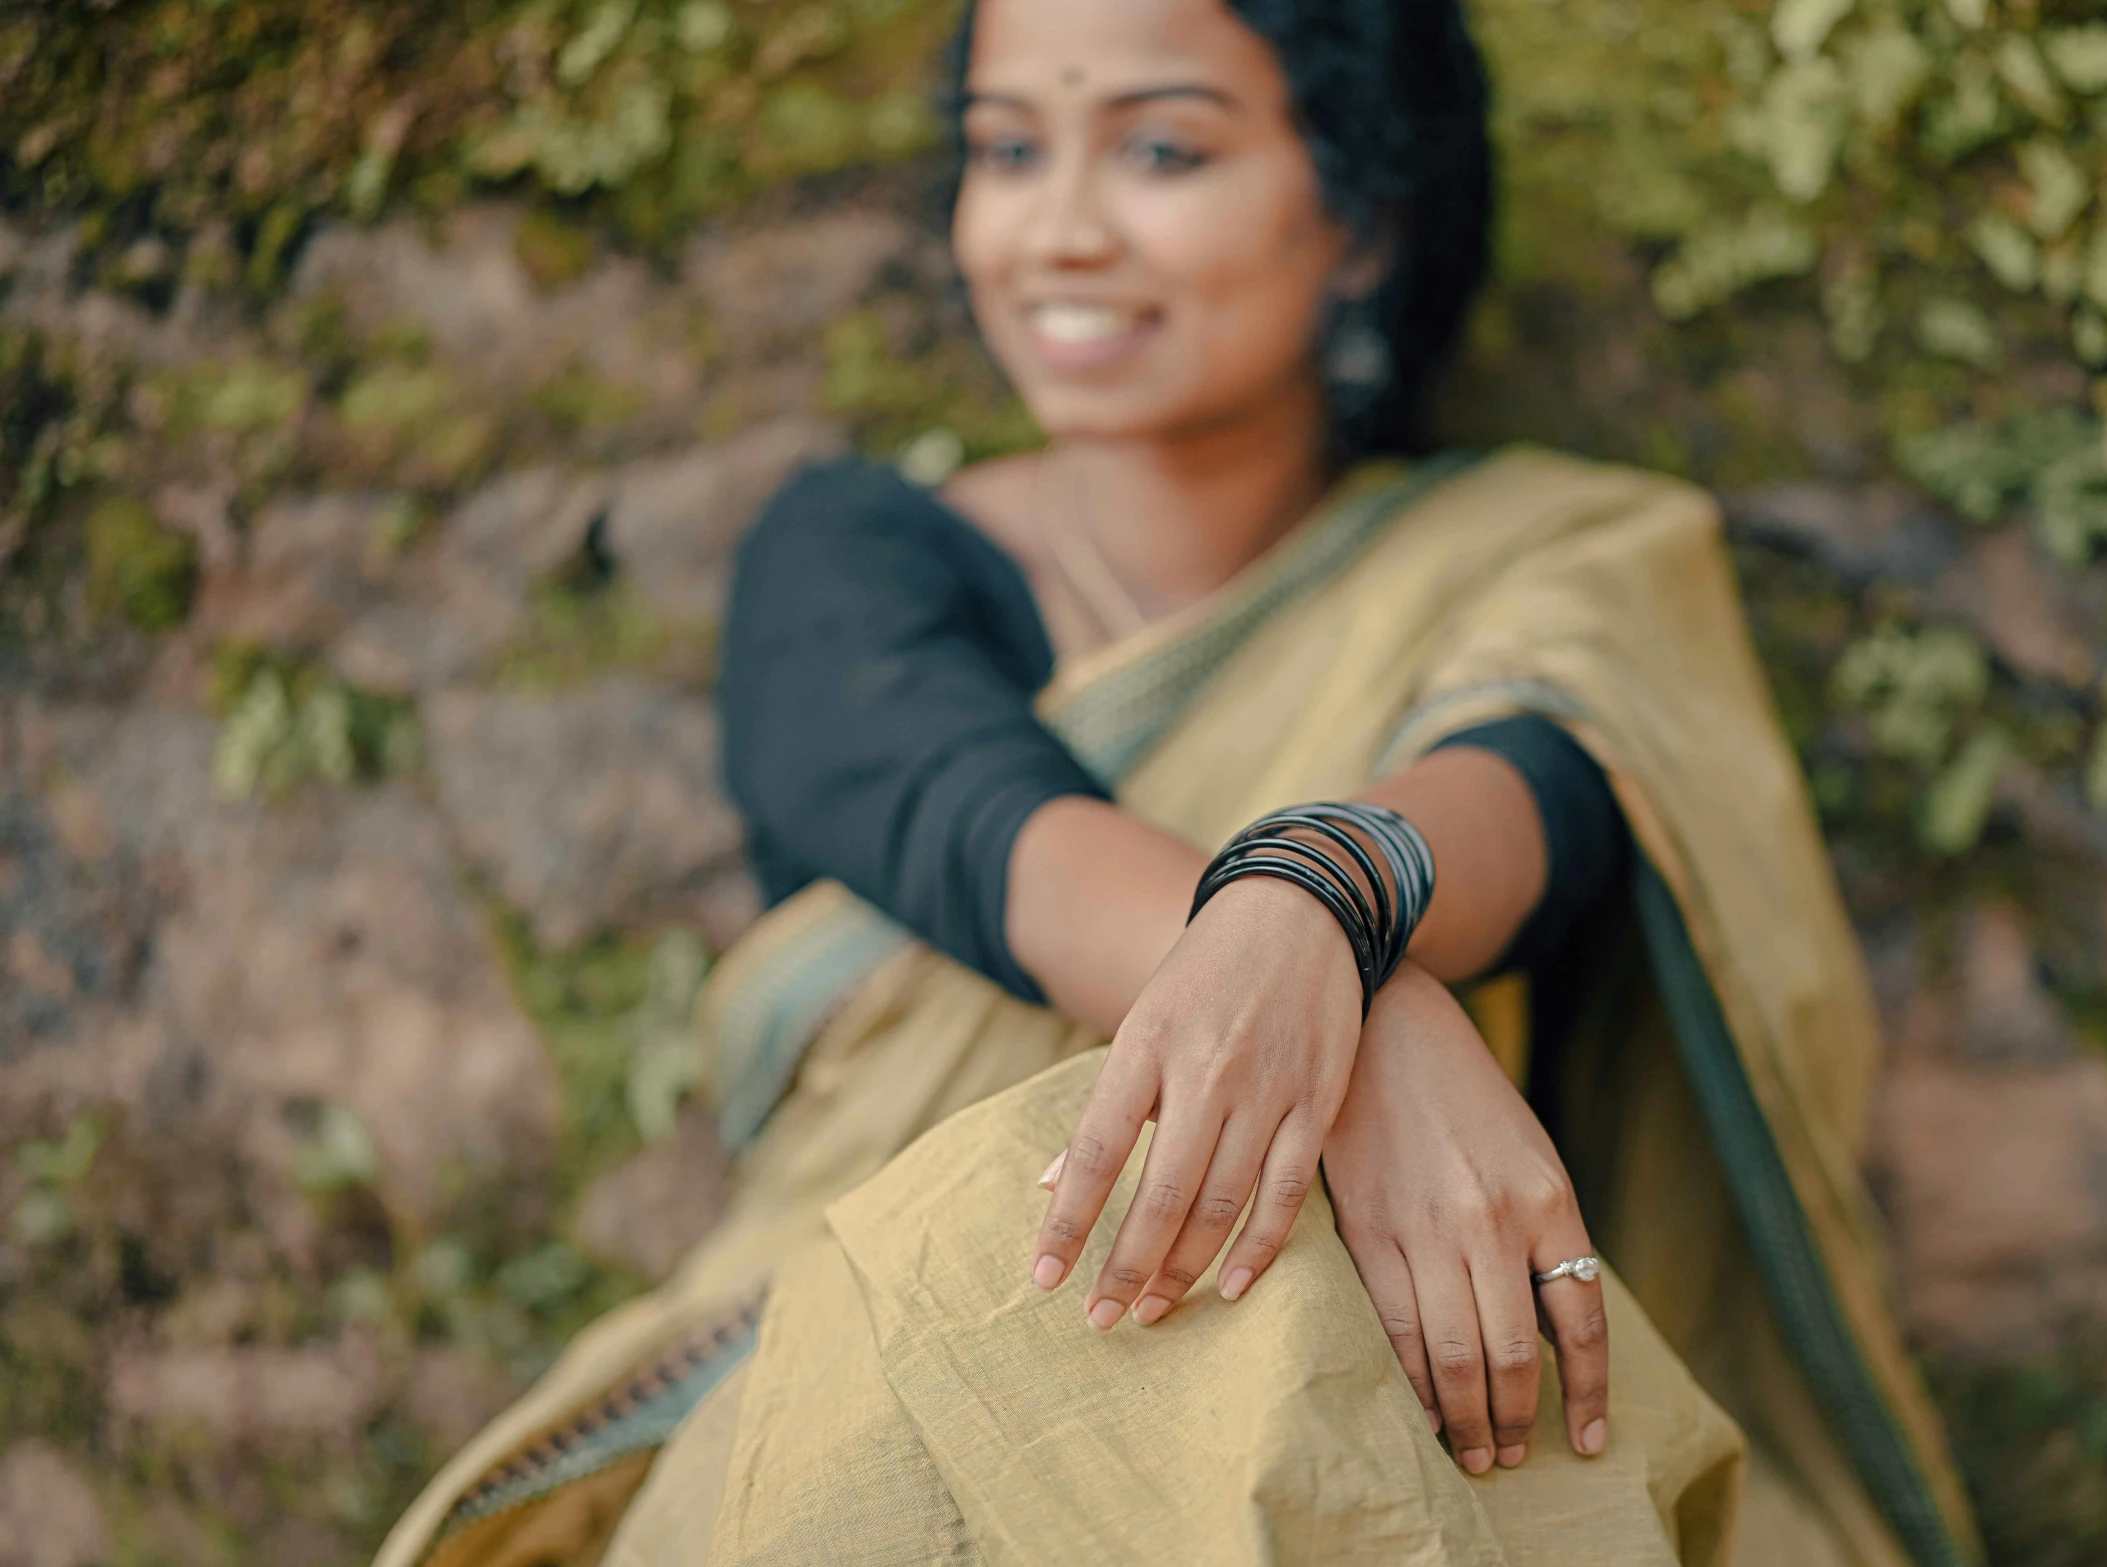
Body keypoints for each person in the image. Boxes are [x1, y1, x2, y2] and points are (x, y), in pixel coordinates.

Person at [377, 1, 1983, 1563]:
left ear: (1359, 216)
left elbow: (1538, 789)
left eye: (1158, 149)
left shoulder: (1552, 560)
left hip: (1361, 1407)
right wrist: (1363, 994)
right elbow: (993, 834)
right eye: (1007, 149)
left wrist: (1328, 903)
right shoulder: (851, 559)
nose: (1053, 230)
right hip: (846, 1380)